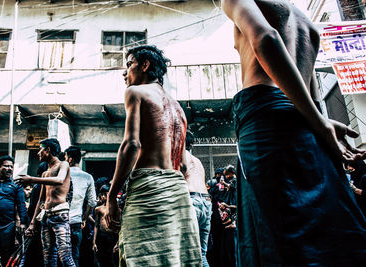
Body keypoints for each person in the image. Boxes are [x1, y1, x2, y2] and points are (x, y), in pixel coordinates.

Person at [222, 0, 366, 265]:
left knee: (272, 233)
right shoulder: (306, 21)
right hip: (303, 118)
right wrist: (321, 123)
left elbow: (266, 38)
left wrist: (321, 124)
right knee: (322, 227)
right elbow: (311, 94)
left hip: (266, 117)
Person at [103, 45, 201, 266]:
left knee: (141, 257)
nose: (124, 72)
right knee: (173, 258)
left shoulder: (135, 92)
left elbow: (131, 144)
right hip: (177, 191)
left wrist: (111, 197)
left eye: (129, 64)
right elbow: (184, 166)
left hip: (148, 188)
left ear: (145, 65)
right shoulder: (179, 109)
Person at [15, 138, 76, 267]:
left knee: (65, 256)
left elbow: (59, 180)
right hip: (46, 216)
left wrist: (31, 179)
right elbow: (41, 200)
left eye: (40, 149)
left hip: (60, 214)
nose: (38, 153)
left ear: (48, 150)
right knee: (48, 257)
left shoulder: (63, 165)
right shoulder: (44, 174)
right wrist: (32, 223)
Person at [182, 130, 212, 267]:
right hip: (206, 202)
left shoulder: (178, 156)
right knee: (201, 254)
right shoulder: (198, 161)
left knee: (185, 252)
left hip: (192, 200)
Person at [64, 146, 96, 267]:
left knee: (57, 257)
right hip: (76, 222)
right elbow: (92, 201)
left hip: (59, 222)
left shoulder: (60, 175)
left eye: (65, 157)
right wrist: (84, 218)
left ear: (70, 159)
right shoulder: (88, 177)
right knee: (74, 256)